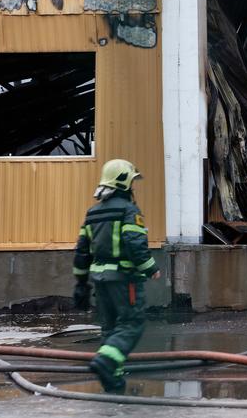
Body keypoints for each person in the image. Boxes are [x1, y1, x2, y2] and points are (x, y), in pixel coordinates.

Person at [72, 159, 161, 393]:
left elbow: (82, 251)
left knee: (110, 328)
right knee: (132, 324)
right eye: (132, 181)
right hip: (124, 278)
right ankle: (106, 362)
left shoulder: (92, 213)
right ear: (123, 182)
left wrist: (80, 284)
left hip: (99, 280)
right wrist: (151, 268)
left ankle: (113, 380)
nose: (134, 187)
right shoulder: (129, 210)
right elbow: (134, 243)